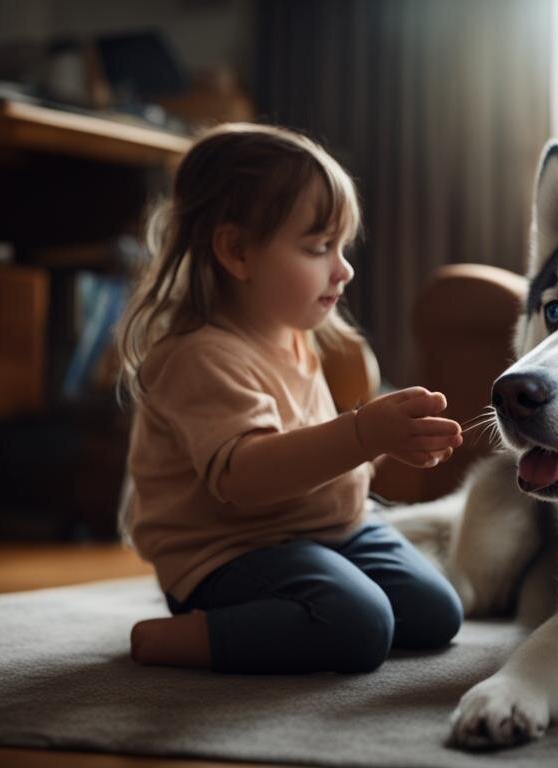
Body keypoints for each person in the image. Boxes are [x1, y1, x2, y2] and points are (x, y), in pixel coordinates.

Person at [117, 123, 464, 674]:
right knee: (361, 624)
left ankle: (303, 610)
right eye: (319, 247)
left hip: (329, 529)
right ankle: (182, 637)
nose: (343, 268)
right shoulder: (201, 357)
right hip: (232, 553)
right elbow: (246, 477)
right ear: (236, 252)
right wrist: (361, 434)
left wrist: (388, 440)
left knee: (435, 612)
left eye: (341, 247)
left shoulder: (296, 333)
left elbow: (319, 448)